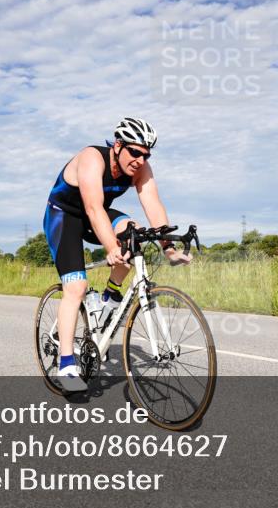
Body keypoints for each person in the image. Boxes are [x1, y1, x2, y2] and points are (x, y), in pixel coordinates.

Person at [43, 117, 191, 391]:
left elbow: (153, 205)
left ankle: (110, 297)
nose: (140, 159)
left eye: (145, 154)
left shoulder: (141, 168)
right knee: (76, 286)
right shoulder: (92, 158)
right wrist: (111, 247)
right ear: (118, 145)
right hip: (65, 217)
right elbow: (93, 207)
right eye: (134, 151)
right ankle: (66, 363)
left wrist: (168, 248)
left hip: (95, 215)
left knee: (135, 233)